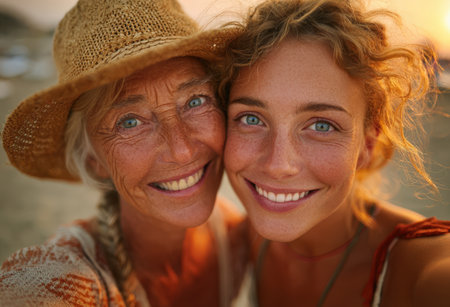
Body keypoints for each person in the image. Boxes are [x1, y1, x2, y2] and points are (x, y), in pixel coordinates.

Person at [0, 0, 248, 306]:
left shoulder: (233, 234)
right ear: (93, 160)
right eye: (129, 122)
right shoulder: (61, 280)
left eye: (196, 101)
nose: (181, 151)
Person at [219, 0, 450, 306]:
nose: (278, 165)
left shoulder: (424, 269)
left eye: (322, 125)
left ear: (367, 145)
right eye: (251, 119)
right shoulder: (237, 242)